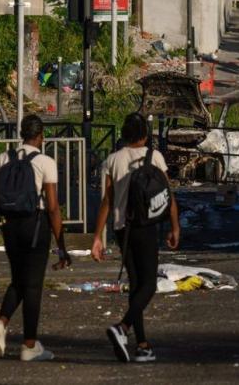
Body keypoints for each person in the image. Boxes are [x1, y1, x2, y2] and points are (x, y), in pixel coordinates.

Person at [91, 112, 181, 363]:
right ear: (144, 135)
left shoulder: (111, 160)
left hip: (123, 229)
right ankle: (123, 328)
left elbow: (107, 202)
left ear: (123, 135)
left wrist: (97, 236)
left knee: (135, 283)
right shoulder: (156, 157)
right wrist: (175, 226)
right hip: (147, 227)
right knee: (149, 284)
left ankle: (142, 345)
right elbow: (168, 195)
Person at [0, 114, 71, 361]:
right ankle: (29, 345)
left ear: (21, 133)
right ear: (41, 136)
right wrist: (62, 246)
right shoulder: (45, 162)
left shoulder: (3, 158)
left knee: (19, 280)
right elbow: (52, 207)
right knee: (32, 286)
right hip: (35, 227)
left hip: (10, 227)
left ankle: (1, 322)